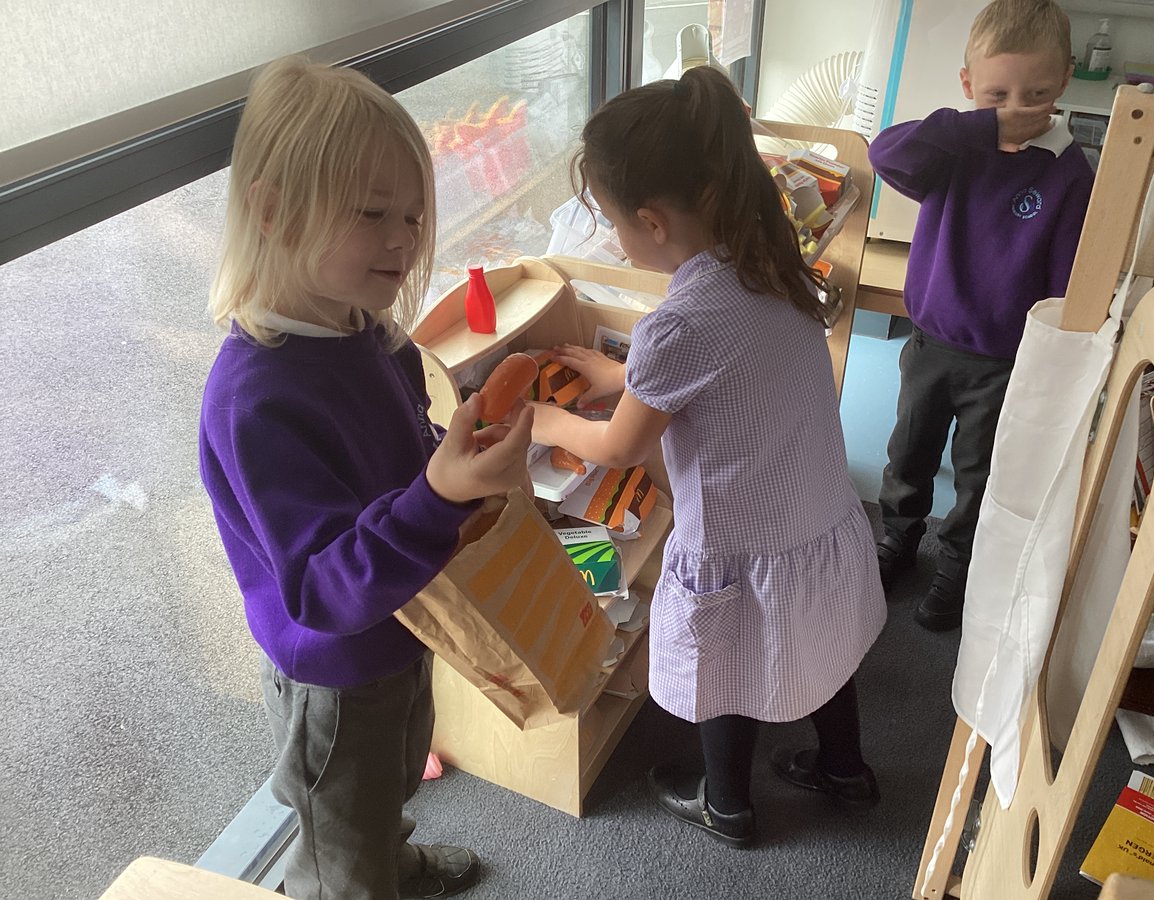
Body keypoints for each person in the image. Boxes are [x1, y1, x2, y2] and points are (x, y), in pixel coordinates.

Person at [198, 56, 533, 899]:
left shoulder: (363, 328)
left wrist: (451, 459)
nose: (405, 237)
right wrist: (439, 496)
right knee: (339, 835)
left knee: (390, 776)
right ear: (274, 212)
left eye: (414, 214)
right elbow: (318, 588)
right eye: (375, 214)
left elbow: (402, 445)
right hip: (335, 670)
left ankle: (394, 854)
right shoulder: (256, 398)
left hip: (402, 619)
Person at [531, 66, 887, 847]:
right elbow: (724, 368)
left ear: (652, 222)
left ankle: (725, 804)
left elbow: (619, 442)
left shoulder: (679, 322)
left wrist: (544, 421)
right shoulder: (774, 265)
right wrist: (622, 376)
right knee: (824, 642)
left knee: (726, 659)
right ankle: (845, 768)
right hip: (816, 511)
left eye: (613, 222)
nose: (614, 238)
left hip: (737, 539)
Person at [868, 0, 1094, 631]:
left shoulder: (1070, 173)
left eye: (1038, 92)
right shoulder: (955, 149)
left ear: (1065, 80)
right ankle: (898, 539)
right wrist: (978, 125)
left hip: (1004, 361)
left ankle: (959, 563)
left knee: (981, 471)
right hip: (931, 340)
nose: (1019, 107)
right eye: (998, 93)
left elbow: (1067, 281)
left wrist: (1050, 368)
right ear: (968, 85)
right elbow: (885, 155)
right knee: (908, 452)